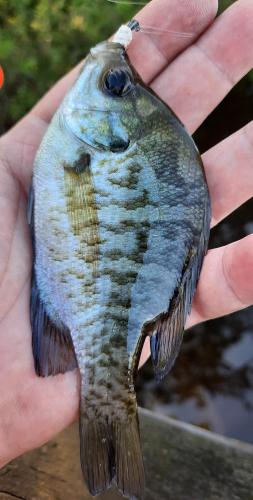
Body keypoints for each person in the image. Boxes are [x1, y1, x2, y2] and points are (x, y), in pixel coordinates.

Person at [0, 0, 252, 468]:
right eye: (119, 84)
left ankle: (109, 404)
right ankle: (110, 410)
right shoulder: (85, 144)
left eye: (113, 86)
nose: (111, 75)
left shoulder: (74, 148)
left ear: (118, 136)